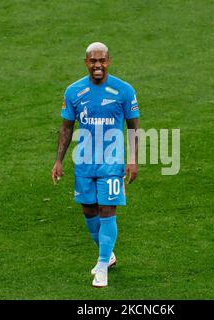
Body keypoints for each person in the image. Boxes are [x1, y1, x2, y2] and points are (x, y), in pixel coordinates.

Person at [51, 42, 140, 287]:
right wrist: (58, 160)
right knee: (89, 210)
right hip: (84, 163)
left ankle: (101, 266)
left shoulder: (124, 90)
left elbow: (134, 126)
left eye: (102, 60)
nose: (97, 65)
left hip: (111, 163)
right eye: (93, 61)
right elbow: (66, 128)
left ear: (109, 61)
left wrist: (133, 159)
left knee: (107, 210)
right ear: (86, 63)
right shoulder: (73, 92)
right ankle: (108, 255)